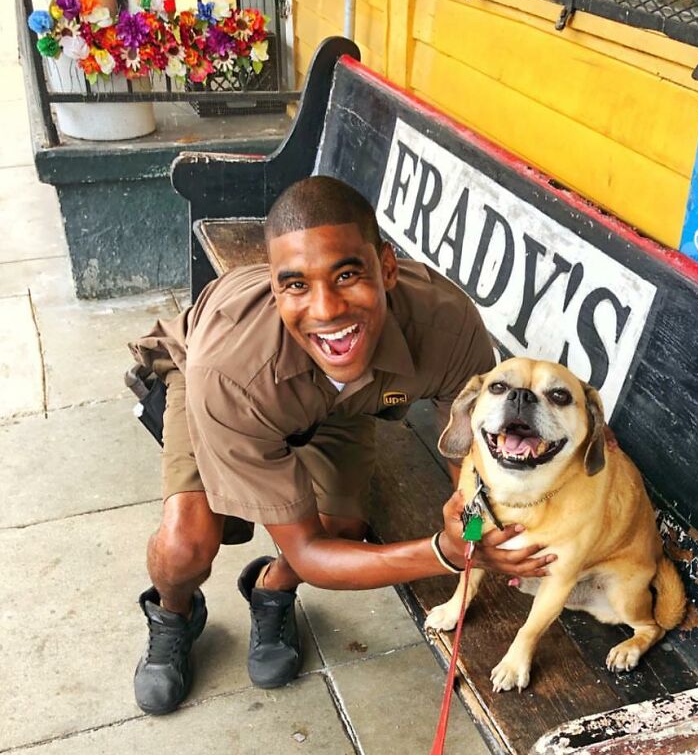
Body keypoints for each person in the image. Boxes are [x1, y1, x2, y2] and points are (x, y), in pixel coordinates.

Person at [128, 175, 556, 715]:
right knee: (186, 545)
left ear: (388, 267)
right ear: (275, 288)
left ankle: (270, 587)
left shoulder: (446, 326)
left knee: (344, 534)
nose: (327, 308)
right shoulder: (230, 370)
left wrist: (475, 537)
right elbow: (309, 550)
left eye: (347, 275)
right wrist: (444, 554)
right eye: (296, 284)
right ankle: (175, 614)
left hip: (343, 403)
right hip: (228, 388)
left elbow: (469, 483)